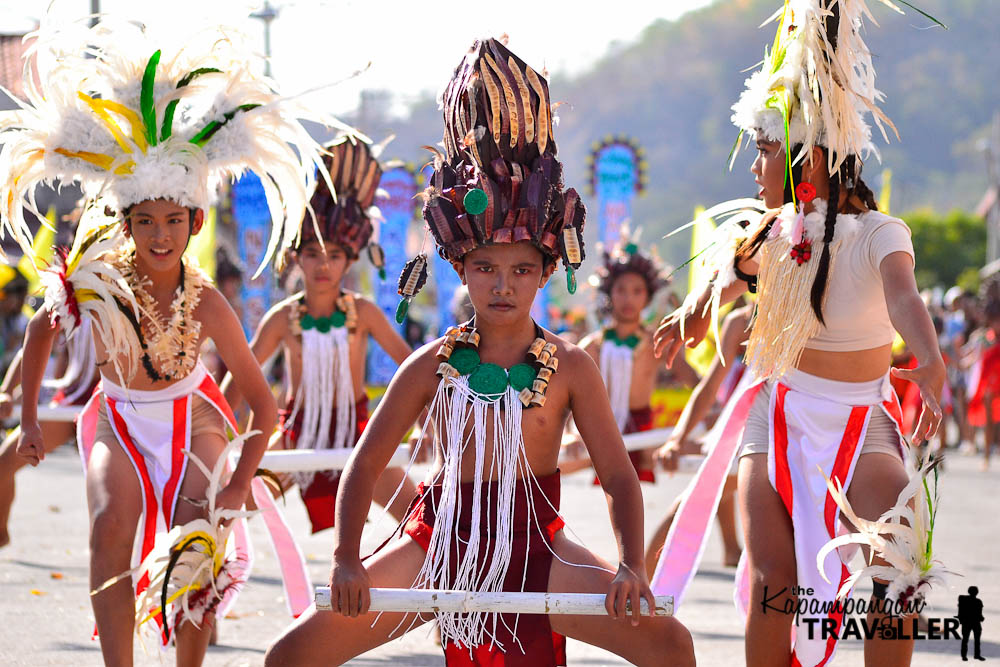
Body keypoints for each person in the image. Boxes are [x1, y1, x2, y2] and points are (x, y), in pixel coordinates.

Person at [265, 37, 695, 667]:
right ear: (462, 269)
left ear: (544, 273)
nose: (502, 283)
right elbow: (364, 465)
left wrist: (631, 565)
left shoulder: (572, 365)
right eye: (486, 267)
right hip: (440, 540)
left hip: (538, 543)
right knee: (292, 655)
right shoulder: (430, 366)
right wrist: (347, 559)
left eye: (520, 269)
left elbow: (619, 476)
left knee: (670, 643)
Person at [0, 15, 333, 664]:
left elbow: (263, 408)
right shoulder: (94, 283)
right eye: (146, 220)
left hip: (195, 417)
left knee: (193, 548)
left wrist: (237, 483)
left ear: (194, 220)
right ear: (125, 222)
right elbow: (42, 329)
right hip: (119, 419)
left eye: (173, 221)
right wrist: (32, 419)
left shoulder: (206, 300)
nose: (160, 236)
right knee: (106, 533)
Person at [652, 2, 946, 666]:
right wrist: (692, 311)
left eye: (766, 147)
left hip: (862, 419)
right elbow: (717, 286)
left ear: (809, 153)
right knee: (771, 583)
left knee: (904, 562)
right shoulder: (763, 231)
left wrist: (928, 357)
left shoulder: (878, 233)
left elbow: (905, 298)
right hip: (776, 416)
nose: (755, 165)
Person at [223, 137, 418, 533]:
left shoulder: (363, 312)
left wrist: (428, 423)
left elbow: (413, 368)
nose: (323, 265)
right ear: (297, 257)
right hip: (298, 434)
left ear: (348, 260)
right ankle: (203, 575)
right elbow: (239, 379)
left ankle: (429, 585)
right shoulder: (282, 317)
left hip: (356, 436)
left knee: (417, 513)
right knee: (229, 504)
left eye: (334, 255)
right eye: (313, 254)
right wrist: (212, 433)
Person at [645, 302, 752, 576]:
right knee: (697, 498)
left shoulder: (806, 313)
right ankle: (641, 577)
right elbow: (709, 388)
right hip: (741, 437)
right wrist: (677, 440)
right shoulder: (740, 322)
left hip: (792, 436)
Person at [566, 230, 668, 483]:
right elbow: (568, 400)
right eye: (621, 290)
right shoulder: (592, 346)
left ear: (648, 296)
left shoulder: (658, 341)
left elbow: (696, 381)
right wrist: (570, 433)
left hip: (645, 436)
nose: (628, 298)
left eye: (637, 291)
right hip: (599, 431)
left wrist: (713, 411)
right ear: (609, 294)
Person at [957, 586, 985, 661]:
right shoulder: (978, 601)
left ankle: (965, 656)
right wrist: (981, 618)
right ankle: (976, 655)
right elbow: (980, 614)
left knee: (966, 640)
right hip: (974, 623)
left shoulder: (964, 600)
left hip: (968, 623)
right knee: (976, 640)